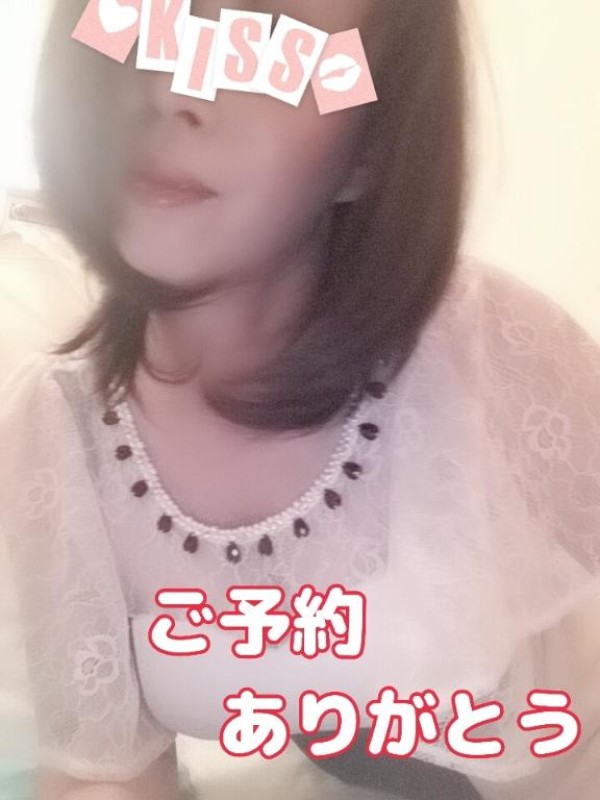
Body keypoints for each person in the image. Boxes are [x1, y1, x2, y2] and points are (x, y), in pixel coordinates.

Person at [1, 0, 599, 798]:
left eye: (268, 47)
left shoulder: (488, 344)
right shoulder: (56, 433)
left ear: (370, 151)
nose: (175, 91)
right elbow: (103, 770)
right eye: (147, 26)